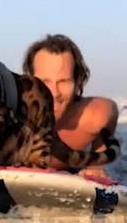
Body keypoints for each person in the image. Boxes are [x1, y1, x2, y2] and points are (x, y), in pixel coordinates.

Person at [22, 35, 119, 178]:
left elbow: (110, 112)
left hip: (70, 174)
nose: (54, 93)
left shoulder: (93, 117)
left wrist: (96, 165)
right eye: (44, 81)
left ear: (77, 83)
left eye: (64, 81)